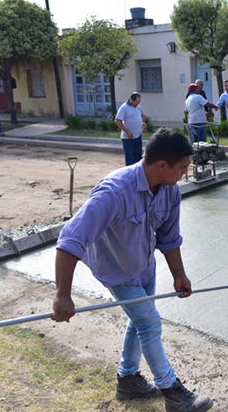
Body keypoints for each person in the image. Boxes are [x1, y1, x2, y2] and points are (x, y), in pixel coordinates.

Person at [52, 128, 214, 412]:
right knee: (150, 323)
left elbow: (169, 237)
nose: (185, 173)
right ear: (162, 165)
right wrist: (62, 294)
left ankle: (127, 380)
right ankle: (173, 392)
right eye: (182, 168)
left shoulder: (170, 191)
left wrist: (179, 274)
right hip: (117, 268)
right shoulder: (114, 192)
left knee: (138, 321)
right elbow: (70, 240)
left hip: (143, 266)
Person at [115, 92, 146, 166]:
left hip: (138, 135)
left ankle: (138, 173)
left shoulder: (138, 106)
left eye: (139, 102)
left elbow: (141, 114)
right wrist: (127, 132)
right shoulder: (124, 107)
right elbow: (117, 121)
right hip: (128, 138)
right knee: (130, 159)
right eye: (137, 102)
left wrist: (143, 122)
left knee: (138, 158)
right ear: (131, 100)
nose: (138, 103)